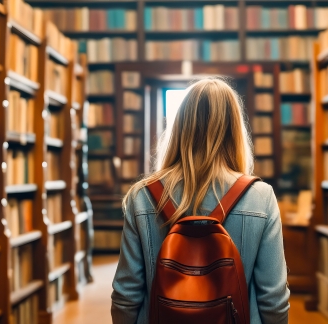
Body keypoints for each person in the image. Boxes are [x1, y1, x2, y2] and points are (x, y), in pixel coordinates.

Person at [111, 78, 290, 323]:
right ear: (235, 130)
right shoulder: (261, 197)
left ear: (179, 127)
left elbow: (125, 295)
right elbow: (274, 300)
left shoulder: (141, 196)